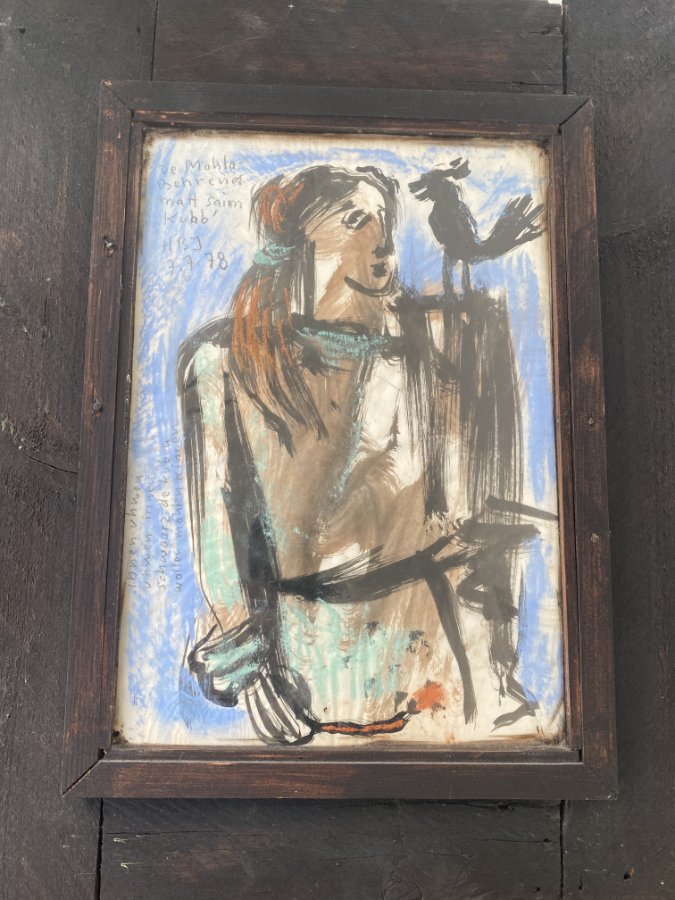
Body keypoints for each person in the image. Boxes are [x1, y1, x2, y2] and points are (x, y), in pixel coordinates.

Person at [177, 160, 549, 745]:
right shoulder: (224, 362)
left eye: (386, 224)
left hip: (434, 670)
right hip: (310, 679)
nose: (383, 246)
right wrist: (247, 667)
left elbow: (465, 526)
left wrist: (491, 670)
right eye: (356, 221)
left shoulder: (426, 353)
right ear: (300, 245)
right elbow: (221, 542)